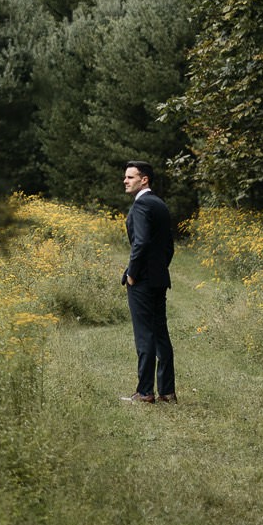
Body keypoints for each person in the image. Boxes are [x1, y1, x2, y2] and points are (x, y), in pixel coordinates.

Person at [120, 161, 176, 403]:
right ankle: (167, 392)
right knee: (161, 334)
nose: (125, 181)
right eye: (125, 177)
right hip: (159, 278)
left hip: (142, 280)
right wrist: (160, 269)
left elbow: (140, 242)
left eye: (130, 177)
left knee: (145, 335)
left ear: (144, 180)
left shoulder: (142, 204)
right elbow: (168, 247)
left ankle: (144, 392)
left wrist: (132, 273)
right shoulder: (159, 204)